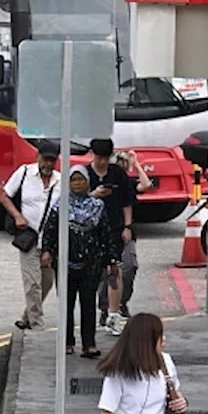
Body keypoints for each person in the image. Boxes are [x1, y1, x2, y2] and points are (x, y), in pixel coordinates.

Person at [41, 167, 119, 358]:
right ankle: (67, 342)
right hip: (65, 263)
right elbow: (50, 231)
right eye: (73, 180)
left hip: (91, 264)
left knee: (88, 303)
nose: (77, 183)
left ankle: (89, 344)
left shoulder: (97, 206)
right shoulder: (60, 205)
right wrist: (47, 252)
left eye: (81, 180)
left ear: (87, 182)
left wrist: (111, 260)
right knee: (66, 305)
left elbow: (105, 235)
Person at [1, 142, 61, 331]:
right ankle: (37, 325)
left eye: (52, 160)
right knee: (32, 283)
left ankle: (28, 316)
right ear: (38, 157)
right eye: (45, 159)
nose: (48, 164)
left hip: (51, 241)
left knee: (47, 282)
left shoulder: (60, 181)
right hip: (29, 238)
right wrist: (17, 215)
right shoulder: (24, 172)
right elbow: (5, 196)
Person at [86, 139, 136, 335]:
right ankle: (94, 313)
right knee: (91, 275)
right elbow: (73, 201)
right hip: (89, 231)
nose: (102, 162)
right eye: (99, 158)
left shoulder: (118, 174)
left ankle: (113, 314)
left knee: (115, 271)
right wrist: (94, 195)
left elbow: (127, 201)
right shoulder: (83, 174)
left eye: (105, 158)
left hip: (114, 229)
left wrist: (127, 226)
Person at [105, 151, 153, 319]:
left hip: (127, 233)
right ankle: (107, 308)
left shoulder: (129, 184)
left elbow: (146, 185)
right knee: (108, 272)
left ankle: (121, 303)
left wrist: (137, 164)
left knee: (129, 266)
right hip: (107, 231)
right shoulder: (106, 184)